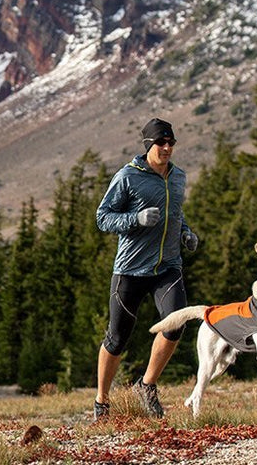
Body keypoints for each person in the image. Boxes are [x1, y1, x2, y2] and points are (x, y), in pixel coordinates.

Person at [93, 117, 198, 419]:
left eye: (170, 143)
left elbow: (175, 213)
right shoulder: (128, 176)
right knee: (117, 339)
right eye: (160, 143)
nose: (166, 148)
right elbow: (103, 217)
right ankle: (102, 401)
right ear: (148, 145)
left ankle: (146, 385)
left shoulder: (178, 177)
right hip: (130, 270)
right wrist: (135, 220)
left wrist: (186, 233)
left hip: (168, 267)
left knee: (176, 323)